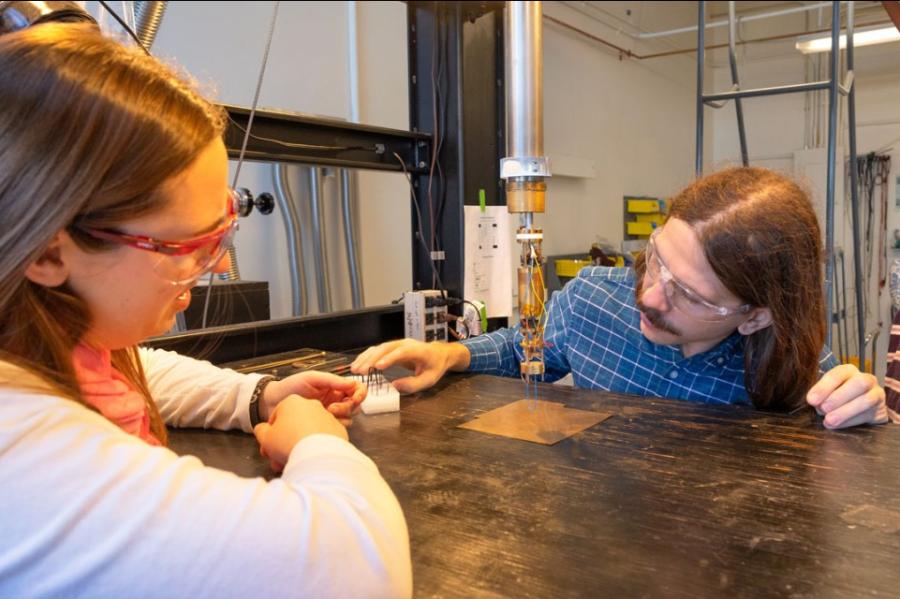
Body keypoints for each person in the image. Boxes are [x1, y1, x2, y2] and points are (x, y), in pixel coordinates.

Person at [0, 23, 411, 598]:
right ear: (48, 250)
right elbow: (355, 569)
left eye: (223, 225)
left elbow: (136, 363)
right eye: (189, 245)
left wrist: (260, 395)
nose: (220, 265)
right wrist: (316, 444)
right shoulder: (18, 449)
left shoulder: (47, 340)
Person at [353, 167, 888, 430]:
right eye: (656, 257)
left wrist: (868, 412)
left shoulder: (799, 372)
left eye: (688, 294)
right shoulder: (594, 298)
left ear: (755, 316)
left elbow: (852, 457)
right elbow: (529, 347)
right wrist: (452, 354)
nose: (650, 296)